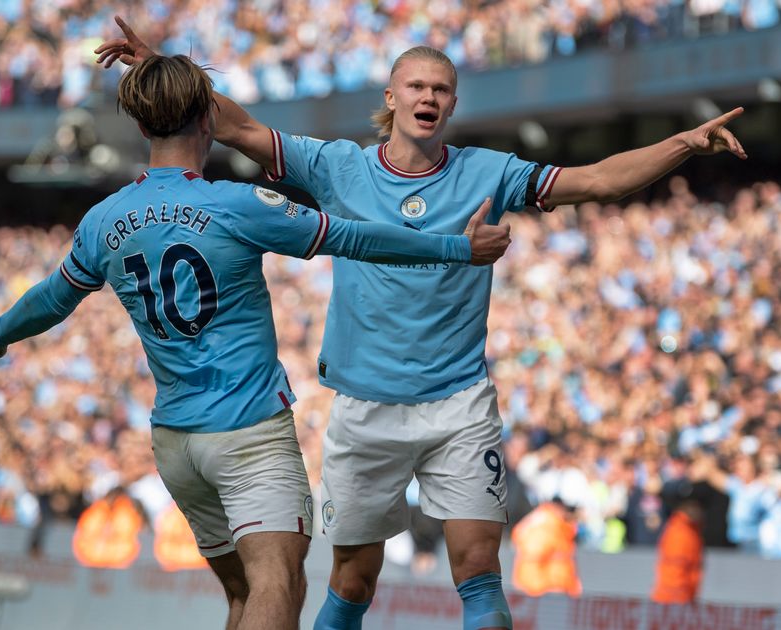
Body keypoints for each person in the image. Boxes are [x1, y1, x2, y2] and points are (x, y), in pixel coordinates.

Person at [96, 19, 744, 629]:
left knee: (479, 569)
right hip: (364, 405)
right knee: (353, 580)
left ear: (452, 105)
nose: (428, 97)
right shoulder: (338, 166)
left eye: (440, 89)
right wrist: (164, 74)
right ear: (392, 97)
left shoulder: (489, 172)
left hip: (458, 402)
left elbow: (598, 181)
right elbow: (236, 126)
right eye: (416, 86)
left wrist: (683, 143)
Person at [0, 53, 510, 630]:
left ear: (141, 127)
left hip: (176, 443)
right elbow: (355, 239)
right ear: (206, 120)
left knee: (243, 596)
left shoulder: (103, 220)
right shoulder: (237, 206)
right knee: (277, 583)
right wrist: (456, 248)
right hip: (247, 433)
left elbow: (52, 298)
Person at [511, 497, 581, 598]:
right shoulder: (548, 524)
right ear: (559, 506)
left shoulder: (544, 520)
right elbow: (535, 555)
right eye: (570, 510)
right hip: (544, 590)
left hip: (541, 588)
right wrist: (555, 587)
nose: (572, 515)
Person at [650, 499, 704, 605]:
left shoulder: (685, 530)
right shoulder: (682, 533)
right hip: (674, 597)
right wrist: (681, 596)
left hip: (675, 595)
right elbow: (676, 567)